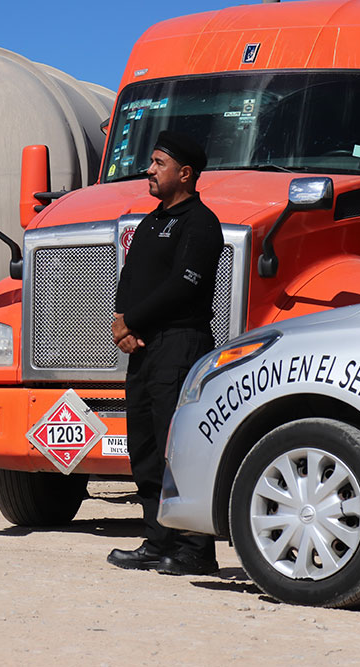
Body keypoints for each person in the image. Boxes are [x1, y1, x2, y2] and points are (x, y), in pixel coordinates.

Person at [108, 130, 223, 575]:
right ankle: (158, 540)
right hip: (144, 347)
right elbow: (130, 277)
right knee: (145, 445)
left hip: (179, 342)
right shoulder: (151, 221)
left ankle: (195, 548)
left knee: (178, 447)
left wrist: (132, 320)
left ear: (185, 173)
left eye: (159, 163)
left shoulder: (201, 223)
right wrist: (123, 326)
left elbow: (183, 285)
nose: (150, 170)